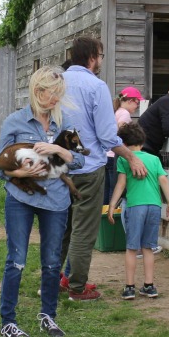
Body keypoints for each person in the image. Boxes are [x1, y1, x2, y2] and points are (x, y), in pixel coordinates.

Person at [0, 66, 86, 337]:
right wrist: (20, 173)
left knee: (51, 262)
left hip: (56, 200)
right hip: (21, 198)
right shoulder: (15, 121)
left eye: (60, 94)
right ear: (38, 92)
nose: (56, 99)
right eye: (52, 94)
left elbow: (80, 160)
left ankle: (48, 316)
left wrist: (59, 150)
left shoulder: (65, 122)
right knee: (17, 260)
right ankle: (8, 321)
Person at [60, 37, 147, 302]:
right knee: (83, 231)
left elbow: (58, 127)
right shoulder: (95, 86)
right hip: (87, 168)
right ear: (93, 56)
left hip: (58, 166)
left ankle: (53, 280)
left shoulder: (57, 82)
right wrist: (131, 156)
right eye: (101, 55)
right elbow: (108, 136)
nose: (101, 61)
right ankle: (76, 287)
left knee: (60, 229)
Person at [108, 122, 169, 299]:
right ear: (142, 142)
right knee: (148, 247)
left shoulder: (124, 159)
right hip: (154, 205)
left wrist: (112, 205)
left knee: (131, 248)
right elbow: (164, 181)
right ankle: (149, 285)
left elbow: (121, 184)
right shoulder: (154, 159)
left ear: (123, 143)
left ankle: (129, 287)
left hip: (135, 205)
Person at [104, 86, 144, 204]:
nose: (137, 107)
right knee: (114, 187)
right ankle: (113, 212)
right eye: (137, 103)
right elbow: (121, 131)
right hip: (115, 154)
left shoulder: (117, 111)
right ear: (130, 101)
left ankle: (104, 213)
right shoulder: (125, 114)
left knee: (106, 189)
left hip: (107, 155)